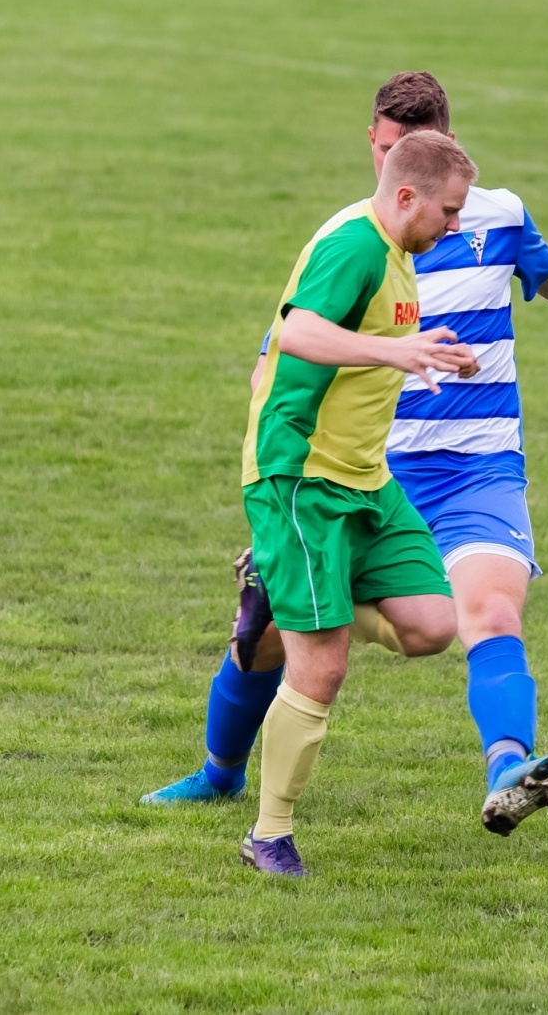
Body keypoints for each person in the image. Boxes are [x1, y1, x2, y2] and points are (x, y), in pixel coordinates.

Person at [143, 72, 548, 840]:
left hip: (478, 467)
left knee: (485, 611)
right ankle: (219, 772)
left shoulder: (492, 218)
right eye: (383, 149)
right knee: (271, 638)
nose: (391, 168)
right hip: (368, 471)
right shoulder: (353, 239)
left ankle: (508, 770)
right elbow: (284, 349)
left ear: (446, 149)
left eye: (409, 150)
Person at [224, 130, 481, 876]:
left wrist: (426, 344)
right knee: (322, 667)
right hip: (300, 476)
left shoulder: (399, 250)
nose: (456, 225)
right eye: (449, 211)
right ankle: (269, 835)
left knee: (432, 626)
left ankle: (281, 591)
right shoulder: (356, 245)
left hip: (367, 480)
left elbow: (363, 334)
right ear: (406, 196)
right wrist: (400, 351)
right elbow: (299, 330)